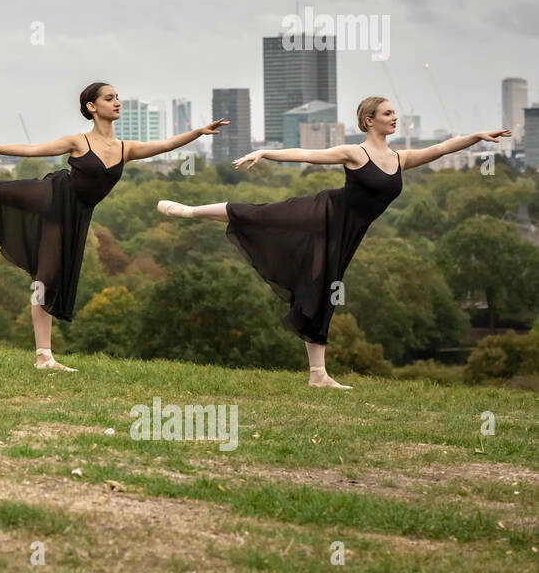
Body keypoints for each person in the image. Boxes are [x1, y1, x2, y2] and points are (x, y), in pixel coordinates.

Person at [157, 95, 510, 388]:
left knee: (324, 291)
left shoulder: (400, 159)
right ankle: (190, 211)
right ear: (370, 120)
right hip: (324, 213)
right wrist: (265, 153)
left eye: (394, 114)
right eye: (388, 113)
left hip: (346, 234)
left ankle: (318, 375)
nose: (395, 118)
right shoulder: (356, 153)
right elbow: (307, 155)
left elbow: (444, 147)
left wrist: (476, 136)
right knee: (263, 215)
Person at [0, 82, 227, 371]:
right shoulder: (79, 141)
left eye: (117, 97)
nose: (117, 102)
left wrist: (198, 131)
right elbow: (34, 149)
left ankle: (43, 357)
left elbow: (165, 145)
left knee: (45, 281)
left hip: (73, 218)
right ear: (92, 107)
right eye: (109, 98)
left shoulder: (127, 149)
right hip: (50, 195)